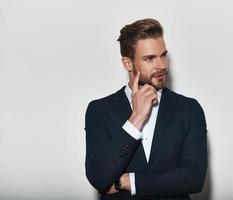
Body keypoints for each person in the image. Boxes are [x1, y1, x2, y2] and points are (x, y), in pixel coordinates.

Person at [85, 18, 207, 200]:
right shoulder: (99, 110)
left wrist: (128, 182)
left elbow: (194, 178)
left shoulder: (189, 109)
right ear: (128, 64)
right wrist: (136, 119)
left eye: (163, 55)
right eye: (149, 59)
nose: (162, 65)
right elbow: (99, 178)